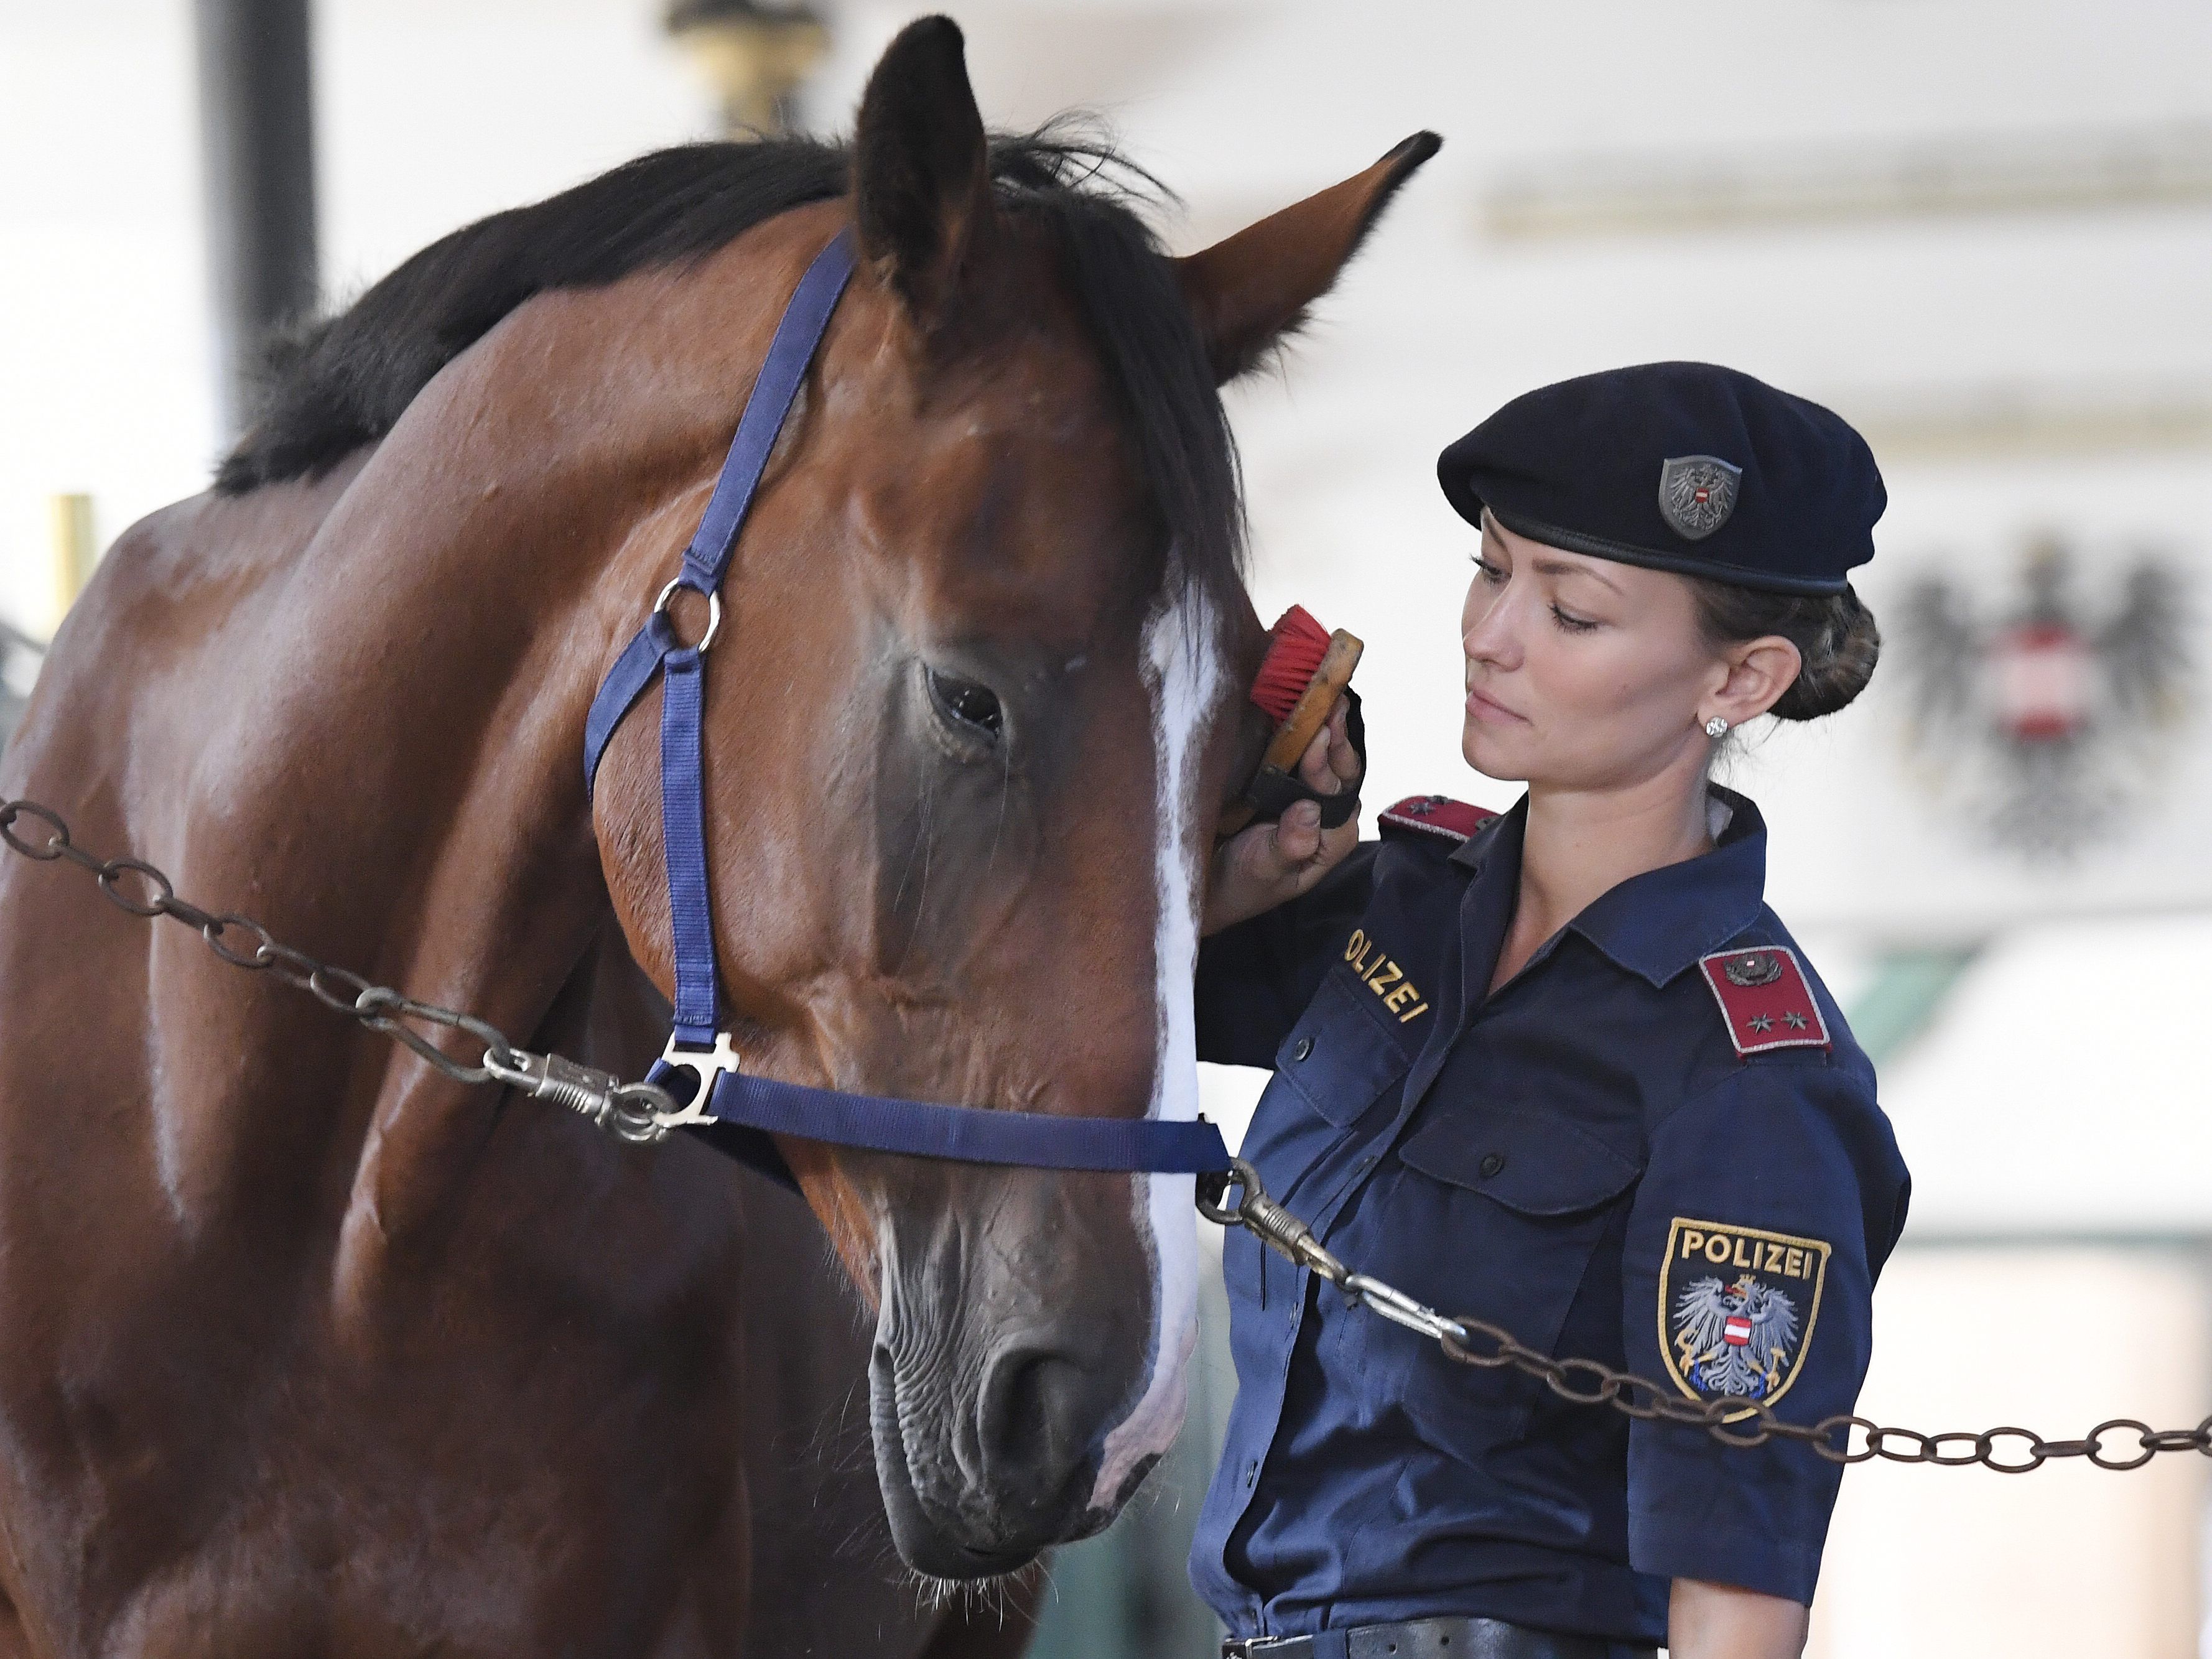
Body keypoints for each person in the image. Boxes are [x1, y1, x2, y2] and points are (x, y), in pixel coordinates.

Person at [1189, 363, 1912, 1659]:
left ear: (1739, 680)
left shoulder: (1749, 1078)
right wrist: (1212, 881)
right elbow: (1027, 1022)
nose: (1489, 632)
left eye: (1569, 611)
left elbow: (1735, 1589)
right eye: (1489, 567)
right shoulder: (1391, 906)